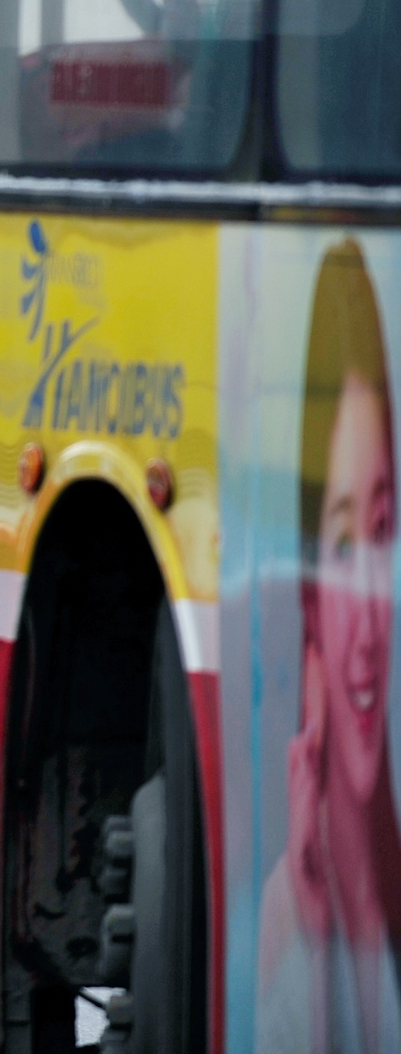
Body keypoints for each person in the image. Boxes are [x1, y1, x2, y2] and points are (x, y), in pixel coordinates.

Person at [257, 241, 401, 1052]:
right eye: (342, 546)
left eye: (383, 535)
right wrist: (313, 929)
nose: (372, 624)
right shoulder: (285, 914)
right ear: (306, 589)